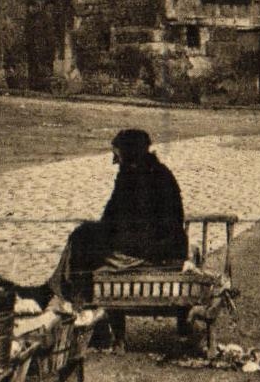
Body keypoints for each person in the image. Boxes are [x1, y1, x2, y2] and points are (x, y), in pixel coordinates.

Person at [36, 128, 188, 303]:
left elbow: (118, 221)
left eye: (117, 155)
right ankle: (57, 292)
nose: (114, 161)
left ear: (130, 153)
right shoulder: (155, 172)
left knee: (82, 239)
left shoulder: (135, 179)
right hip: (161, 245)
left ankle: (76, 298)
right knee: (83, 237)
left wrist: (97, 232)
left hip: (153, 251)